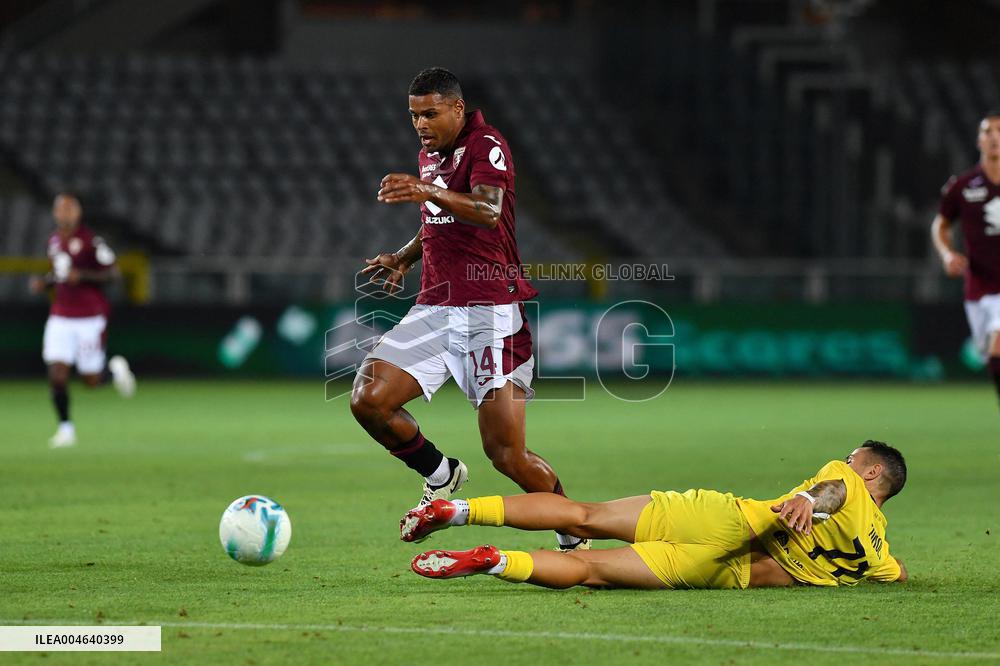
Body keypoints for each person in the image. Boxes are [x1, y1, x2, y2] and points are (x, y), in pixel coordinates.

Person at [350, 67, 585, 550]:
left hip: (490, 312)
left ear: (458, 108)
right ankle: (440, 473)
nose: (419, 123)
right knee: (368, 399)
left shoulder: (487, 145)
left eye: (430, 113)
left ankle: (575, 530)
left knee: (506, 455)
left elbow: (486, 209)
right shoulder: (430, 154)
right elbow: (437, 219)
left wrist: (427, 190)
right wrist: (403, 255)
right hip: (435, 306)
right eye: (414, 115)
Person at [403, 440, 908, 590]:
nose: (845, 459)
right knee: (590, 571)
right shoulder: (875, 551)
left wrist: (807, 500)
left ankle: (459, 509)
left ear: (873, 472)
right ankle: (494, 561)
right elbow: (898, 571)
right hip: (726, 572)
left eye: (854, 457)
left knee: (583, 516)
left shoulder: (847, 484)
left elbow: (832, 491)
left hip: (725, 519)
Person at [29, 193, 136, 448]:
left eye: (69, 209)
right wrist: (45, 283)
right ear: (55, 213)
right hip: (60, 317)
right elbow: (60, 274)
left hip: (89, 317)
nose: (65, 214)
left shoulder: (92, 242)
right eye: (60, 209)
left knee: (91, 380)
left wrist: (84, 276)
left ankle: (114, 371)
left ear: (78, 213)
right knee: (57, 374)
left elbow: (114, 274)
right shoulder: (53, 241)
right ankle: (66, 429)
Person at [933, 110, 1000, 410]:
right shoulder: (963, 186)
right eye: (988, 131)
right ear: (978, 140)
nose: (995, 137)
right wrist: (947, 253)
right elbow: (941, 224)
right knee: (992, 360)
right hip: (977, 289)